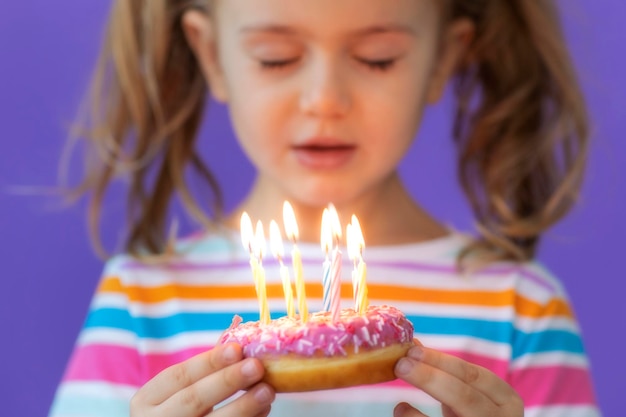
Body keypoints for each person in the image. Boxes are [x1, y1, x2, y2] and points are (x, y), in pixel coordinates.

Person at [49, 0, 600, 416]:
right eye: (277, 58)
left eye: (377, 59)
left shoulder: (518, 309)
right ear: (212, 55)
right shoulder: (143, 301)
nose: (325, 98)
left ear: (443, 59)